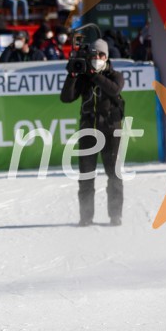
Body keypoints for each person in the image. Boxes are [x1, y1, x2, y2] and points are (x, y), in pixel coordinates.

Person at [59, 39, 125, 227]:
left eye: (101, 55)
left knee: (114, 175)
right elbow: (66, 98)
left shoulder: (115, 75)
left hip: (111, 130)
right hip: (88, 130)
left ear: (107, 57)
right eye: (94, 55)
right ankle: (86, 216)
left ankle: (115, 215)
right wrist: (72, 75)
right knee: (86, 175)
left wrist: (94, 74)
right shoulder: (84, 77)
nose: (97, 58)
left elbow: (114, 89)